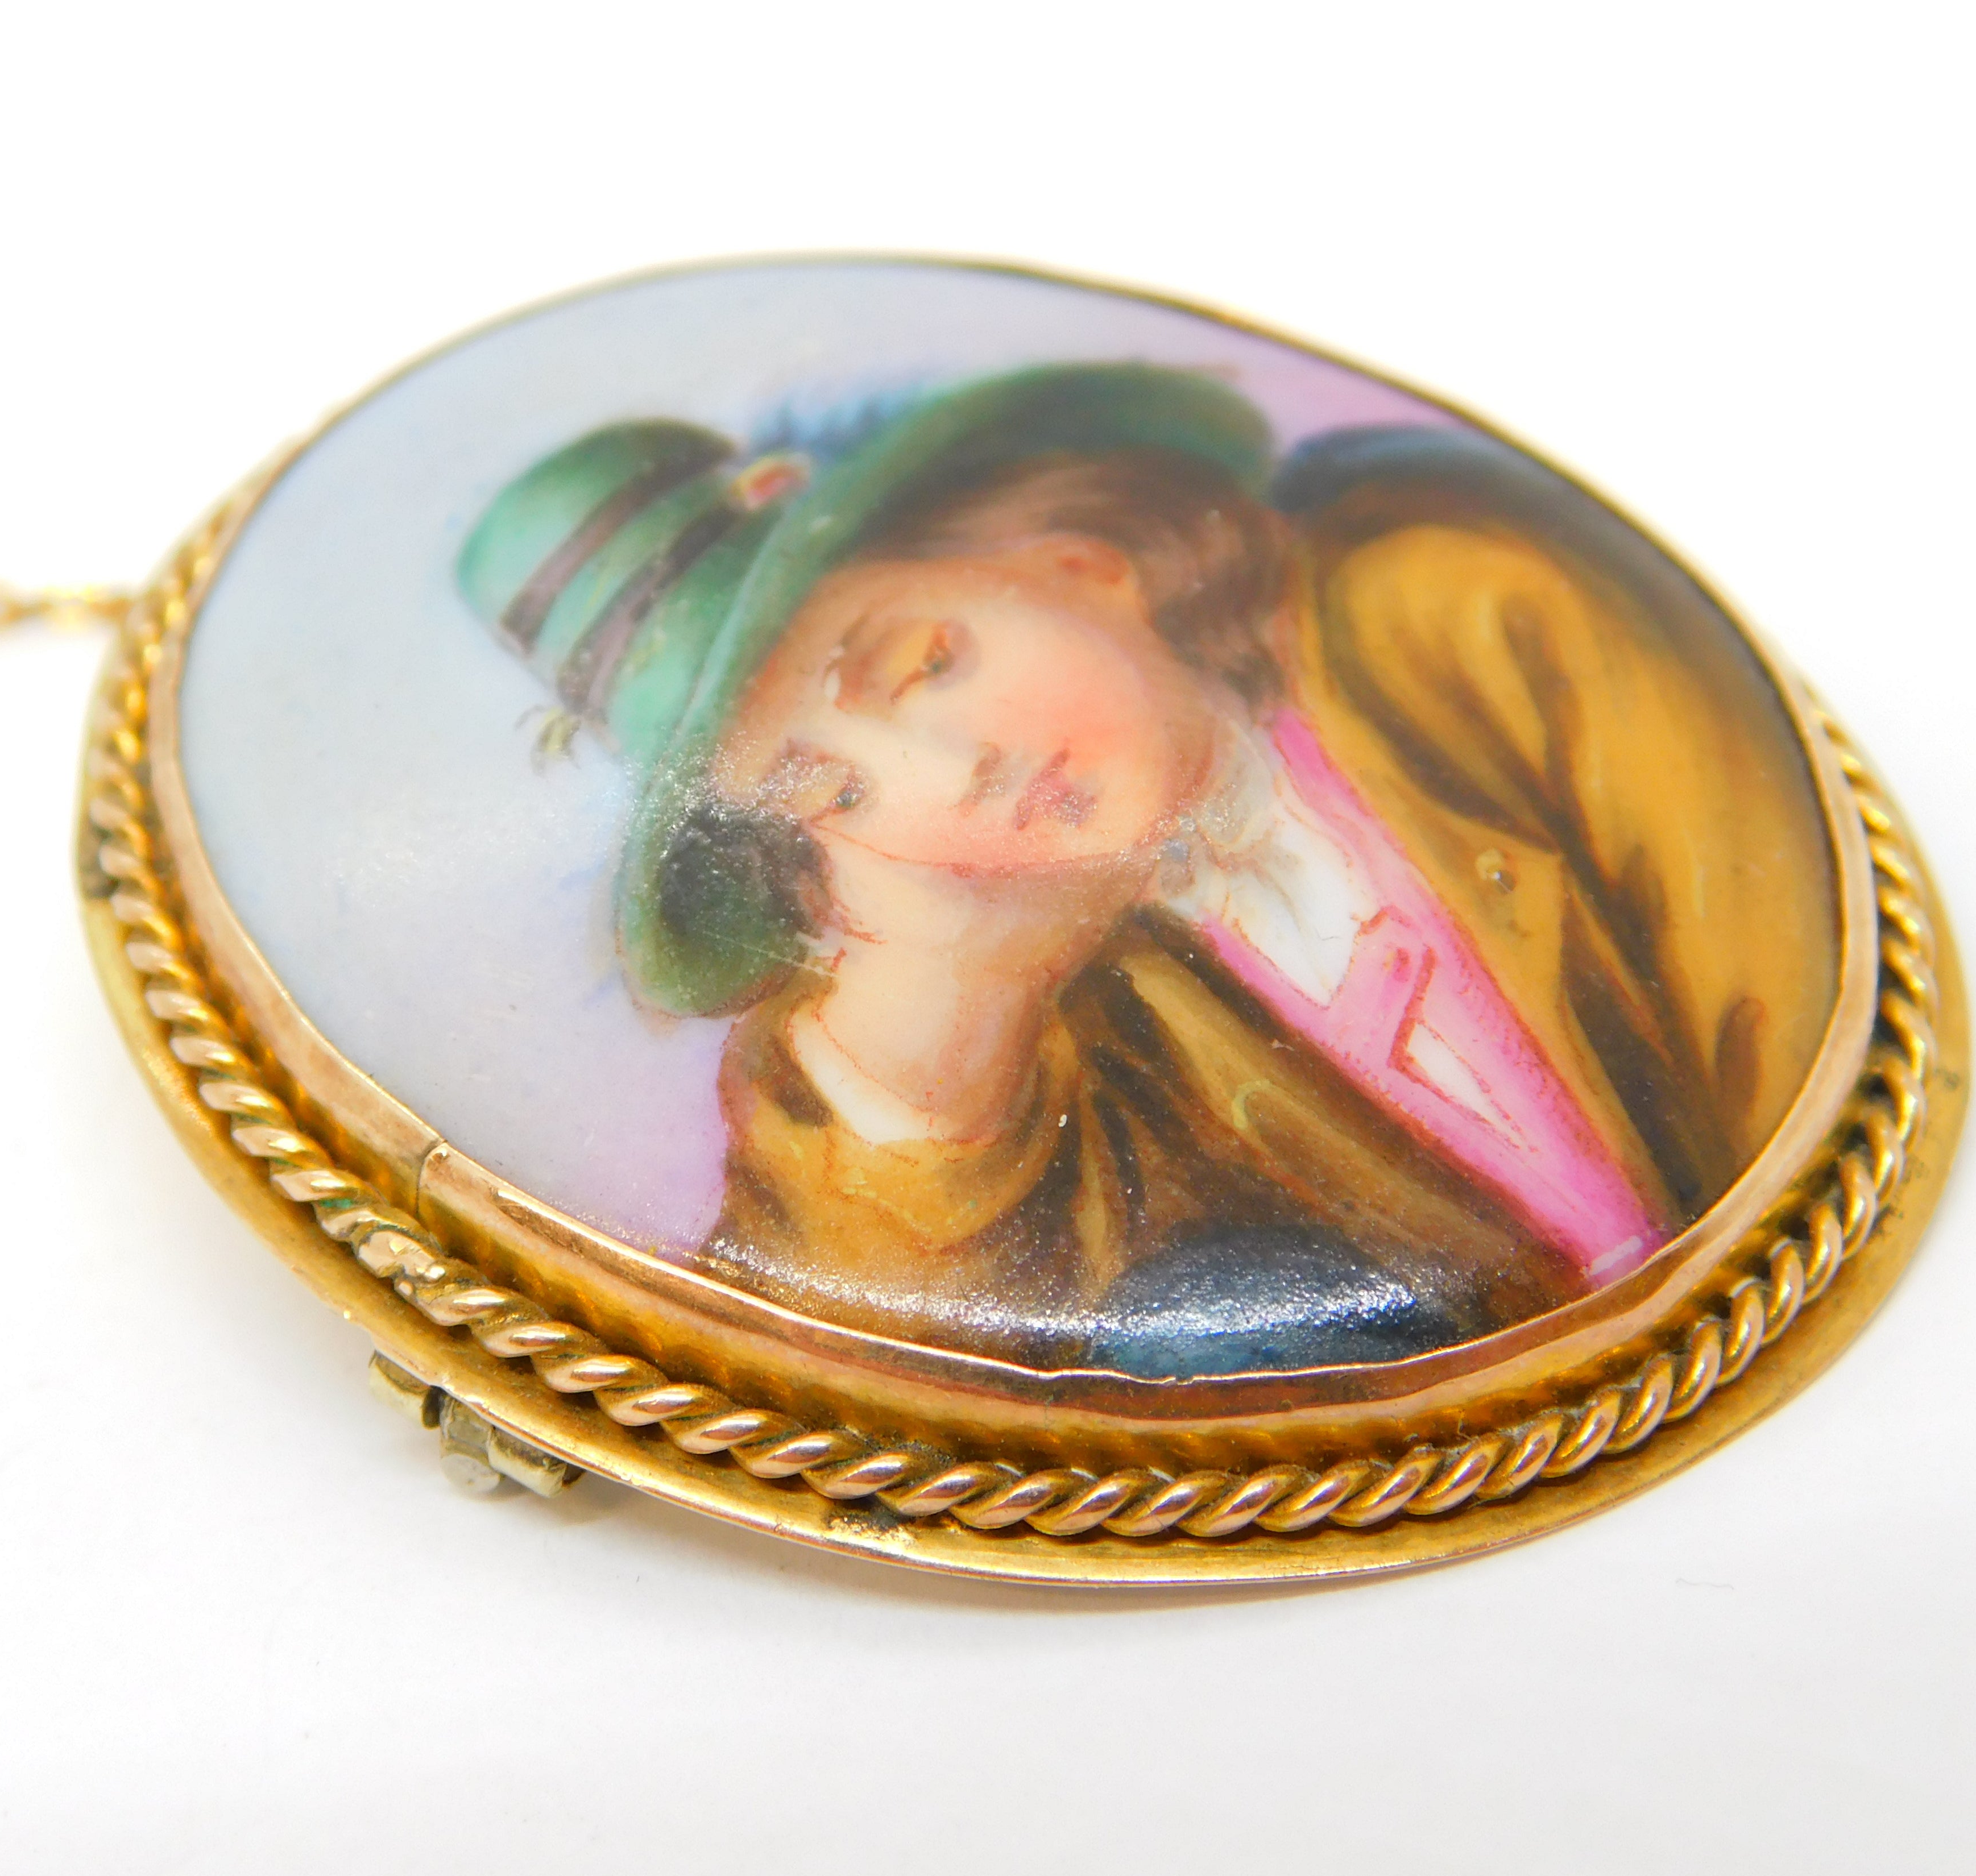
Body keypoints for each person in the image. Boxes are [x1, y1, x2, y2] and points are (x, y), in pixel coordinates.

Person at [455, 367, 1837, 1374]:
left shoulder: (1459, 609)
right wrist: (953, 1008)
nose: (954, 773)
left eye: (925, 662)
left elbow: (1773, 989)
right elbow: (889, 1350)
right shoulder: (1085, 1010)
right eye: (835, 793)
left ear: (1080, 561)